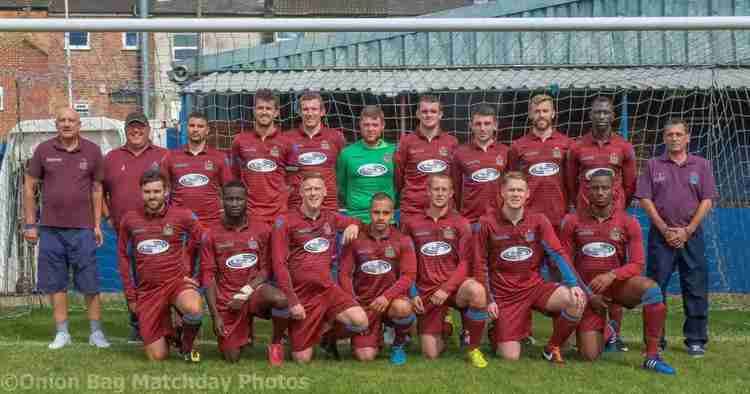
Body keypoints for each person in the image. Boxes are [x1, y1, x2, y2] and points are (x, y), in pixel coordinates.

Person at [559, 170, 675, 374]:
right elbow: (566, 265)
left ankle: (652, 356)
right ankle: (609, 330)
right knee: (589, 356)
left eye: (605, 188)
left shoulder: (628, 222)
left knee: (652, 290)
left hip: (616, 286)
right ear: (587, 191)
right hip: (588, 290)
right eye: (595, 188)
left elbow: (638, 264)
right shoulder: (572, 221)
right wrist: (588, 294)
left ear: (614, 191)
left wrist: (612, 275)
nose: (600, 192)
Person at [474, 171, 586, 363]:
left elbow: (557, 253)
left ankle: (552, 347)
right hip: (505, 294)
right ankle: (497, 330)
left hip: (534, 287)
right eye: (511, 190)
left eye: (520, 190)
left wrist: (573, 283)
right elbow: (480, 263)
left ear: (527, 194)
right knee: (510, 357)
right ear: (502, 192)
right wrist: (489, 299)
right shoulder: (486, 223)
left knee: (576, 299)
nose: (515, 194)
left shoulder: (539, 221)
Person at [24, 107, 110, 350]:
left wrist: (96, 225)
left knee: (90, 283)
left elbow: (97, 190)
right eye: (62, 120)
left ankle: (96, 333)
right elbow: (29, 187)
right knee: (56, 283)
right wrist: (31, 223)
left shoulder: (92, 151)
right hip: (50, 229)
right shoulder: (43, 150)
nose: (66, 124)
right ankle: (62, 333)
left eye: (71, 120)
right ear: (56, 124)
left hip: (83, 229)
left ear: (79, 124)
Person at [635, 118, 718, 358]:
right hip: (661, 238)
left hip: (691, 236)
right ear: (664, 138)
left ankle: (695, 340)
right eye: (669, 134)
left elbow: (708, 199)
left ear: (688, 137)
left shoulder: (701, 165)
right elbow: (644, 198)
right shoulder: (652, 165)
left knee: (695, 287)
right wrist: (664, 228)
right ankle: (655, 340)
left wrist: (688, 230)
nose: (674, 138)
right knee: (655, 289)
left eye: (679, 134)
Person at [271, 172, 368, 363]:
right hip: (302, 295)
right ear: (300, 192)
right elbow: (279, 264)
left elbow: (358, 222)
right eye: (308, 189)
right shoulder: (284, 222)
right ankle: (294, 335)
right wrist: (292, 301)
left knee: (360, 321)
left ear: (325, 192)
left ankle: (327, 336)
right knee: (301, 359)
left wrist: (354, 225)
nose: (313, 193)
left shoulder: (330, 218)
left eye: (317, 189)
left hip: (327, 289)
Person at [566, 95, 637, 351]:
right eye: (597, 112)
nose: (602, 116)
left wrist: (617, 209)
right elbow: (571, 183)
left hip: (614, 221)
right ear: (590, 115)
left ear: (613, 116)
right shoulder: (577, 148)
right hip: (585, 221)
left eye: (606, 112)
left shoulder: (624, 147)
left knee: (613, 278)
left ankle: (614, 334)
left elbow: (629, 185)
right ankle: (584, 326)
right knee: (583, 271)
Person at [402, 174, 489, 368]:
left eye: (444, 190)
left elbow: (466, 262)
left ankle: (473, 348)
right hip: (427, 290)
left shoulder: (461, 223)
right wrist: (413, 292)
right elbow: (407, 263)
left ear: (451, 193)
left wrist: (447, 288)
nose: (440, 193)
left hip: (454, 288)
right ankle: (446, 326)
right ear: (428, 191)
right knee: (430, 354)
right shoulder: (411, 224)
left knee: (477, 291)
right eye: (436, 189)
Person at [117, 170, 204, 362]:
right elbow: (123, 257)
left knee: (194, 308)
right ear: (141, 192)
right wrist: (131, 296)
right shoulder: (129, 219)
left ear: (166, 191)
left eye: (156, 191)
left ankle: (188, 348)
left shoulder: (182, 215)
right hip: (148, 292)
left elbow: (204, 241)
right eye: (147, 192)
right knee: (157, 357)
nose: (152, 196)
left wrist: (196, 275)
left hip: (176, 283)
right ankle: (175, 331)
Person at [201, 181, 289, 365]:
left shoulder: (262, 229)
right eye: (230, 199)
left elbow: (266, 270)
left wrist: (245, 292)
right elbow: (208, 276)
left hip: (253, 291)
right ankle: (243, 332)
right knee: (231, 358)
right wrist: (215, 315)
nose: (234, 203)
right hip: (228, 300)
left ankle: (276, 343)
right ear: (221, 200)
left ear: (246, 200)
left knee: (281, 300)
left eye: (239, 199)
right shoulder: (210, 234)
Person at [102, 111, 168, 344]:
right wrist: (107, 214)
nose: (136, 131)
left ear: (148, 130)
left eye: (140, 127)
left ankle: (162, 324)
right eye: (132, 127)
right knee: (131, 278)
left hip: (158, 231)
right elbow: (98, 189)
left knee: (157, 278)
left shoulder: (163, 155)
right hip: (125, 231)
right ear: (126, 130)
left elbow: (174, 190)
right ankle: (137, 324)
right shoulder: (111, 157)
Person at [338, 193, 417, 365]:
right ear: (369, 212)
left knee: (403, 307)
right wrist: (352, 303)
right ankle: (373, 336)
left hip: (390, 302)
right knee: (365, 356)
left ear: (392, 214)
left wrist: (387, 296)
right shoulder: (356, 238)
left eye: (386, 213)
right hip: (364, 302)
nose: (381, 217)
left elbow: (408, 276)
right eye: (376, 212)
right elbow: (344, 274)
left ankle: (398, 345)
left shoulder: (402, 239)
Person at [508, 94, 573, 233]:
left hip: (559, 216)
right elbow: (513, 183)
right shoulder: (518, 146)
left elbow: (571, 182)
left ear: (553, 113)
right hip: (529, 217)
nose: (541, 115)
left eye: (545, 111)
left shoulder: (567, 144)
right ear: (531, 114)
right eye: (537, 111)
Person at [160, 112, 233, 228]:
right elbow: (162, 190)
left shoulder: (219, 157)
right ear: (186, 128)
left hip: (211, 223)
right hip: (180, 224)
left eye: (200, 126)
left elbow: (230, 190)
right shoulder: (171, 157)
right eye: (192, 125)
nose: (195, 129)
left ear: (207, 130)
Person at [395, 95, 458, 227]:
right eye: (424, 111)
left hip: (443, 210)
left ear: (440, 114)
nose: (428, 115)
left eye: (433, 111)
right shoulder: (406, 142)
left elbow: (455, 178)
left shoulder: (451, 142)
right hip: (412, 210)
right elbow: (398, 177)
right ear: (418, 114)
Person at [231, 89, 291, 223]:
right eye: (260, 108)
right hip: (250, 214)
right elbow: (234, 176)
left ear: (276, 112)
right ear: (254, 110)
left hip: (279, 215)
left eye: (268, 108)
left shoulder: (287, 142)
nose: (264, 112)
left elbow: (293, 178)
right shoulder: (240, 141)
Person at [285, 92, 346, 212]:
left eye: (314, 109)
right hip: (297, 208)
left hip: (328, 207)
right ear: (300, 112)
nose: (310, 113)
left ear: (322, 112)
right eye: (305, 109)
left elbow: (343, 172)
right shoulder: (287, 139)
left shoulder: (336, 137)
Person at [336, 105, 397, 222]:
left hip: (386, 219)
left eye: (375, 125)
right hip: (356, 218)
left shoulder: (393, 151)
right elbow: (341, 186)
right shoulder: (347, 153)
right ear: (360, 126)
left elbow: (398, 184)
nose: (370, 129)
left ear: (382, 126)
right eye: (366, 125)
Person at [451, 105, 509, 224]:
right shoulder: (460, 153)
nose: (482, 128)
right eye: (478, 124)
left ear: (495, 125)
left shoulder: (506, 151)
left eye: (487, 124)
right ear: (471, 126)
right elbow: (454, 189)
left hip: (499, 219)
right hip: (470, 220)